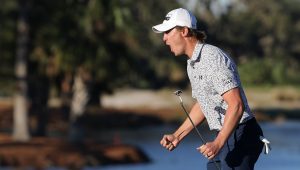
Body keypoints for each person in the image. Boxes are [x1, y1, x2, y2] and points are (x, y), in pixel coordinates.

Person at [152, 8, 268, 170]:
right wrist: (177, 136)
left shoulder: (212, 58)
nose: (164, 39)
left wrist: (217, 143)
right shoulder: (192, 63)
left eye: (168, 32)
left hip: (241, 133)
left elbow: (236, 105)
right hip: (226, 135)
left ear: (184, 31)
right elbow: (203, 103)